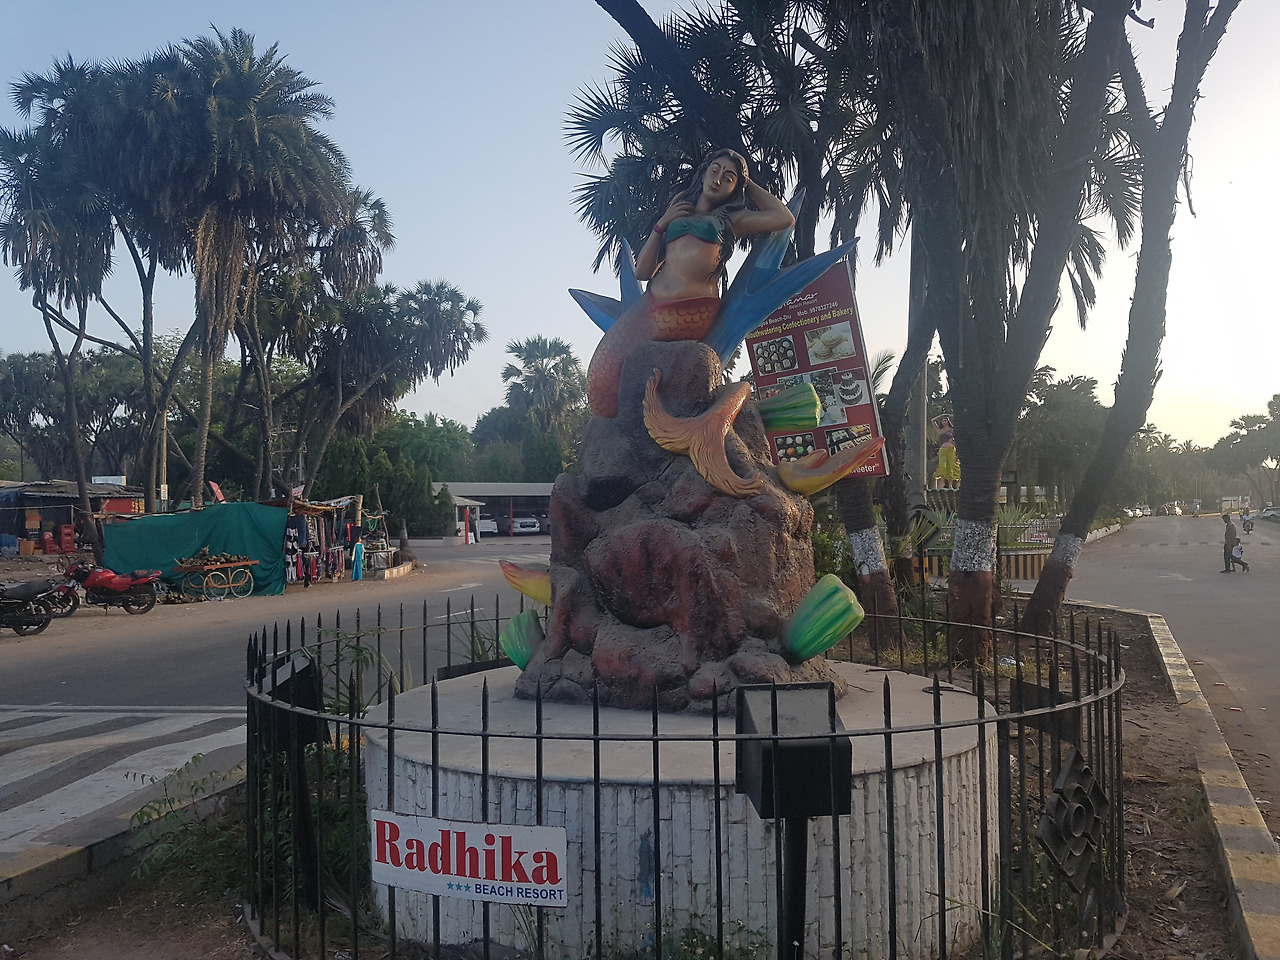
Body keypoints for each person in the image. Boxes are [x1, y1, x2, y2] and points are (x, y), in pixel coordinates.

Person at [587, 149, 795, 419]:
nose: (717, 180)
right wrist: (662, 224)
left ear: (736, 188)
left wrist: (748, 182)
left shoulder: (732, 220)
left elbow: (784, 218)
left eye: (728, 178)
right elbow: (643, 271)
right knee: (601, 377)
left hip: (689, 310)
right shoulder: (679, 209)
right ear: (704, 172)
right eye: (715, 170)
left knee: (636, 368)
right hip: (650, 304)